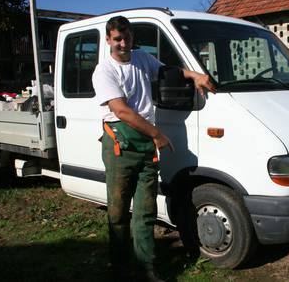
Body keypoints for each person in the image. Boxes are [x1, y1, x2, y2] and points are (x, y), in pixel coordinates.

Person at [92, 16, 215, 281]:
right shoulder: (104, 71)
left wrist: (193, 75)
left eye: (127, 38)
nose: (123, 44)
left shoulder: (142, 58)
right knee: (117, 212)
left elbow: (166, 71)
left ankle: (146, 268)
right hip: (120, 145)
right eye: (117, 39)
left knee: (145, 212)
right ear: (108, 40)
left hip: (145, 143)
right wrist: (157, 134)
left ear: (133, 37)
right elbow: (122, 111)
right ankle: (120, 266)